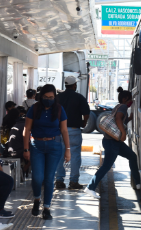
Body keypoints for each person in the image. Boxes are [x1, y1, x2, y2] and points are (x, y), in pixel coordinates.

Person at [23, 84, 71, 220]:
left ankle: (47, 208)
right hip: (36, 145)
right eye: (45, 97)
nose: (48, 99)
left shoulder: (59, 109)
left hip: (54, 146)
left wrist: (68, 150)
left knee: (49, 179)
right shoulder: (34, 109)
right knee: (37, 178)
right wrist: (26, 149)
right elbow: (26, 130)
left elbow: (64, 130)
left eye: (51, 97)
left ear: (55, 97)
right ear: (41, 96)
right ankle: (37, 199)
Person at [84, 87, 141, 199]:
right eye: (130, 99)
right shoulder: (123, 106)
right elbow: (118, 119)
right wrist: (124, 133)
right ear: (125, 99)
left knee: (132, 156)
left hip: (114, 141)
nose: (131, 102)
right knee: (106, 166)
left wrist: (129, 118)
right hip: (112, 142)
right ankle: (90, 187)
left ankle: (138, 183)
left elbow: (118, 120)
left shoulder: (118, 106)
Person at [55, 76, 90, 189]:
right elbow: (86, 113)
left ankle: (59, 180)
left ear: (66, 85)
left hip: (59, 131)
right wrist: (84, 123)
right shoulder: (79, 97)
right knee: (75, 156)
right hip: (74, 130)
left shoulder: (58, 97)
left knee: (59, 156)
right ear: (75, 85)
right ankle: (73, 181)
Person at [8, 106, 30, 176]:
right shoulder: (25, 127)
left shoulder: (16, 125)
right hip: (18, 152)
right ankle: (23, 171)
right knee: (36, 155)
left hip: (10, 151)